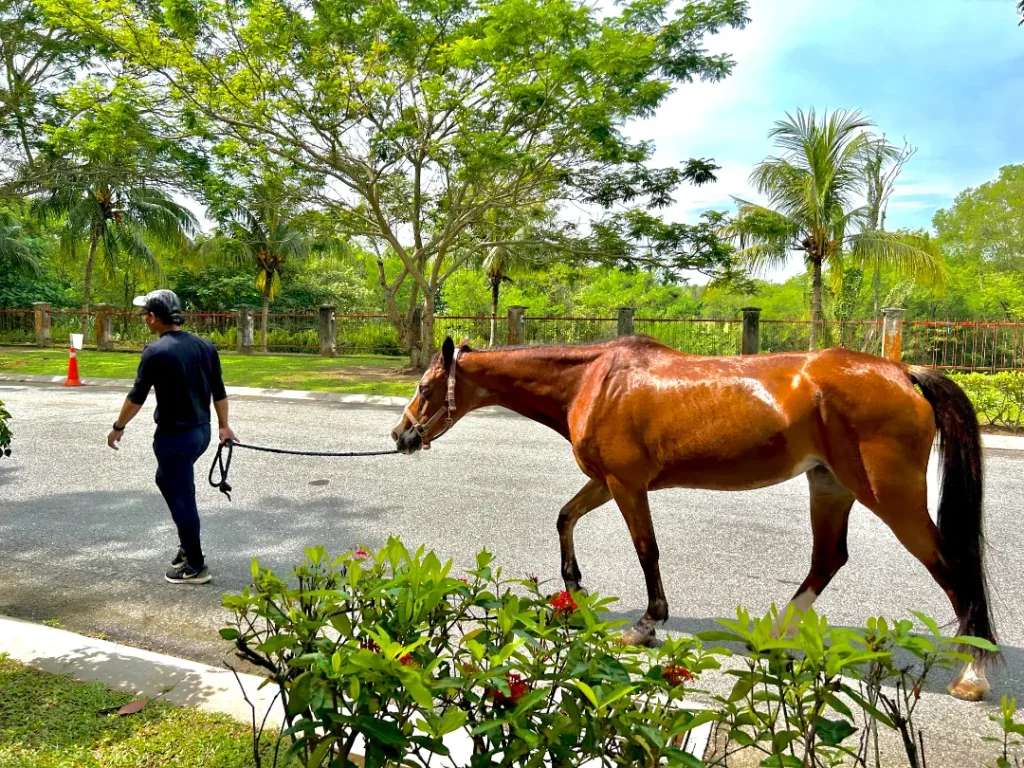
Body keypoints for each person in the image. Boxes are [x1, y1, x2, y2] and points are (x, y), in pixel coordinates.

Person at [106, 289, 237, 584]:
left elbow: (136, 396)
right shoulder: (205, 346)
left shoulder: (156, 352)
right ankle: (186, 546)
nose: (144, 321)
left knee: (181, 497)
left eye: (145, 316)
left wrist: (118, 426)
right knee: (169, 482)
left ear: (153, 318)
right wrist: (224, 426)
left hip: (175, 438)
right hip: (200, 433)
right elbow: (219, 391)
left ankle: (195, 565)